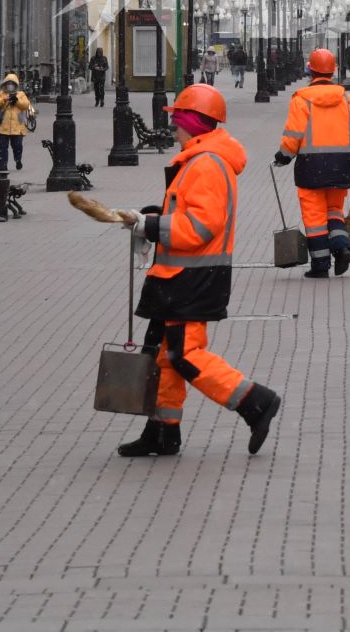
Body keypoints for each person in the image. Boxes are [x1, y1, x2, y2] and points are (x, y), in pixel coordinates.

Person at [72, 83, 283, 458]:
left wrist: (149, 226)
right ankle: (162, 432)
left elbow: (201, 228)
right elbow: (186, 217)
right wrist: (152, 217)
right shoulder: (199, 159)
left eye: (176, 120)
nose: (173, 128)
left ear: (190, 122)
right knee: (164, 355)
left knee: (186, 355)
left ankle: (255, 401)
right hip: (180, 278)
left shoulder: (206, 165)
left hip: (192, 278)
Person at [273, 48, 350, 278]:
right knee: (334, 210)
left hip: (310, 167)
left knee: (315, 217)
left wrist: (283, 157)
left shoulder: (301, 100)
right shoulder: (347, 100)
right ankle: (342, 247)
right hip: (341, 165)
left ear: (311, 71)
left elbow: (293, 136)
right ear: (333, 71)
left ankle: (320, 265)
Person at [0, 72, 36, 170]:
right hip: (3, 127)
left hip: (18, 127)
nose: (10, 86)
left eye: (12, 84)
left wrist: (16, 100)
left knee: (17, 147)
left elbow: (26, 105)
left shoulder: (21, 94)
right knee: (2, 148)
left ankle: (18, 160)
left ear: (15, 85)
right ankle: (3, 165)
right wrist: (6, 99)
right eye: (8, 83)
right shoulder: (1, 94)